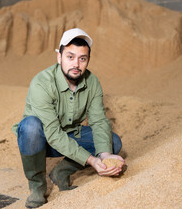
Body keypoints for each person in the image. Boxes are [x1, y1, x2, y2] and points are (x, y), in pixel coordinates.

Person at [12, 28, 125, 208]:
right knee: (30, 126)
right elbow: (54, 134)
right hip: (40, 140)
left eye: (82, 58)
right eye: (70, 57)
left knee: (113, 142)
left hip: (71, 134)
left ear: (88, 60)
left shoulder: (92, 82)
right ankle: (37, 188)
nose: (76, 64)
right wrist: (92, 160)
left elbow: (98, 121)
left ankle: (61, 173)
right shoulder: (42, 83)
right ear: (59, 57)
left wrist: (104, 156)